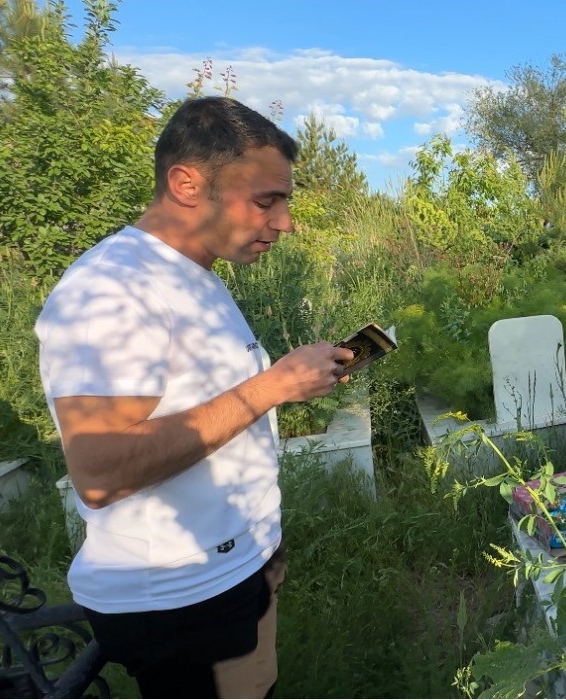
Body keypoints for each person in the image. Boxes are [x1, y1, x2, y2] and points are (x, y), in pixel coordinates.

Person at [34, 96, 353, 698]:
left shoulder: (195, 276)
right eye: (266, 201)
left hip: (235, 568)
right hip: (181, 597)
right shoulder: (112, 289)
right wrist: (272, 386)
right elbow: (100, 472)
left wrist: (286, 383)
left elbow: (209, 405)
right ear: (187, 184)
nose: (285, 222)